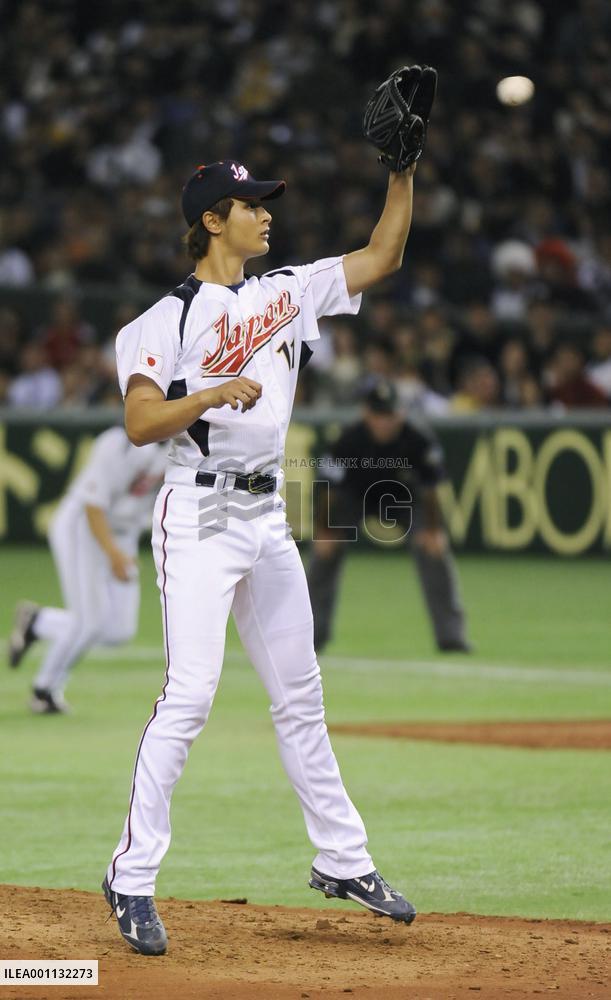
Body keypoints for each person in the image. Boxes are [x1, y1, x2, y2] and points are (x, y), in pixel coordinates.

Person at [102, 154, 420, 957]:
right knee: (191, 695)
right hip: (198, 508)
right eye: (249, 203)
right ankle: (130, 878)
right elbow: (141, 424)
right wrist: (206, 394)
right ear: (212, 220)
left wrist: (400, 173)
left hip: (268, 508)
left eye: (264, 202)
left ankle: (343, 859)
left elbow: (382, 256)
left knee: (300, 693)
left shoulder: (284, 291)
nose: (265, 214)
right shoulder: (161, 320)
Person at [8, 427, 168, 713]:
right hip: (82, 525)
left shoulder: (179, 448)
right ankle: (44, 690)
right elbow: (93, 506)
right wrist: (113, 554)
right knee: (90, 621)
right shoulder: (118, 443)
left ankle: (39, 622)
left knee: (119, 630)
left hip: (123, 533)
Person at [307, 378, 471, 655]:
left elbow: (432, 489)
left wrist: (432, 530)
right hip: (354, 497)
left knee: (434, 551)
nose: (386, 422)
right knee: (324, 553)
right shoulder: (348, 439)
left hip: (403, 497)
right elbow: (329, 489)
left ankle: (451, 636)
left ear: (402, 413)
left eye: (391, 415)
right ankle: (311, 636)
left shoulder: (418, 439)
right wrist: (324, 530)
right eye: (379, 415)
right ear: (366, 414)